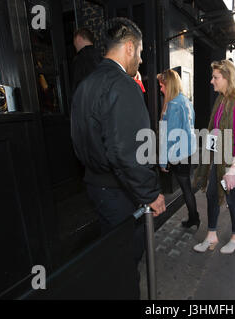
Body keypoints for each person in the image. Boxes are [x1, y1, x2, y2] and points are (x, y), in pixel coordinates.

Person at [70, 17, 166, 298]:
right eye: (140, 52)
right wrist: (151, 193)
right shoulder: (123, 86)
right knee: (126, 264)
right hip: (118, 192)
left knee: (113, 256)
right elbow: (128, 153)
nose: (141, 59)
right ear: (128, 48)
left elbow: (78, 140)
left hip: (95, 186)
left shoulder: (84, 86)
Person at [193, 60, 235, 254]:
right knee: (212, 194)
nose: (212, 81)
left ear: (227, 78)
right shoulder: (222, 100)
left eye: (215, 77)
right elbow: (218, 130)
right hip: (220, 157)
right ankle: (211, 235)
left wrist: (232, 170)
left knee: (232, 199)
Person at [157, 69, 199, 228]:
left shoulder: (173, 104)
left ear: (170, 85)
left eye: (162, 85)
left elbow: (169, 137)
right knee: (187, 186)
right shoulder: (186, 101)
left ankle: (194, 217)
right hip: (188, 152)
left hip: (178, 154)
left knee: (186, 189)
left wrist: (162, 161)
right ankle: (194, 216)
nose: (160, 89)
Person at [71, 28, 102, 93]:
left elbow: (78, 89)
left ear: (78, 38)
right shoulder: (102, 56)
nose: (74, 45)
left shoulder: (80, 59)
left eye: (74, 41)